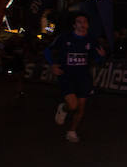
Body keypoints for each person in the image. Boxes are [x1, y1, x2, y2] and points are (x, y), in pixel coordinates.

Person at [43, 13, 105, 143]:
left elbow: (97, 58)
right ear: (74, 25)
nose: (82, 24)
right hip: (67, 76)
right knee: (73, 105)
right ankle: (64, 108)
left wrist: (101, 56)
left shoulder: (91, 40)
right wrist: (52, 65)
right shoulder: (64, 38)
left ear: (88, 25)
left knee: (81, 107)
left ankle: (72, 131)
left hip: (83, 77)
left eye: (85, 22)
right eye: (79, 22)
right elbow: (47, 51)